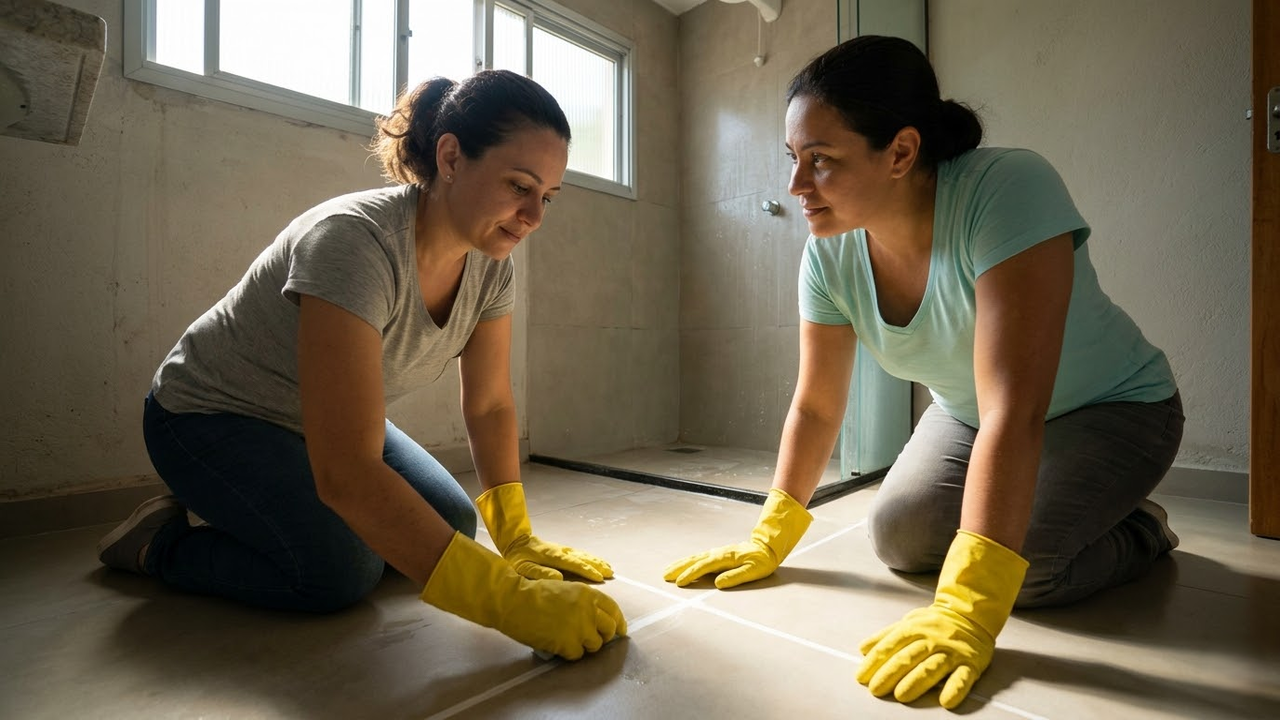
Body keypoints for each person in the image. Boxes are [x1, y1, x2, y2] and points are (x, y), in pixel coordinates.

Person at [663, 36, 1183, 709]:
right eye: (793, 159)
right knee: (900, 537)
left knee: (1029, 574)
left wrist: (969, 607)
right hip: (971, 414)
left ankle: (1141, 528)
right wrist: (772, 534)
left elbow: (1015, 407)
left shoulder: (1007, 189)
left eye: (819, 161)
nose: (795, 187)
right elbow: (817, 407)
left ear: (902, 152)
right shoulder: (828, 256)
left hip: (1114, 410)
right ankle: (1072, 504)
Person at [98, 70, 626, 661]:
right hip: (206, 414)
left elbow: (490, 403)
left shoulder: (491, 266)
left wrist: (518, 539)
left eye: (547, 196)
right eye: (519, 186)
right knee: (338, 571)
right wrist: (508, 602)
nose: (534, 216)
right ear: (451, 157)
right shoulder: (353, 242)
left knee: (451, 524)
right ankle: (160, 543)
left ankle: (252, 506)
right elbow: (347, 472)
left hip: (313, 421)